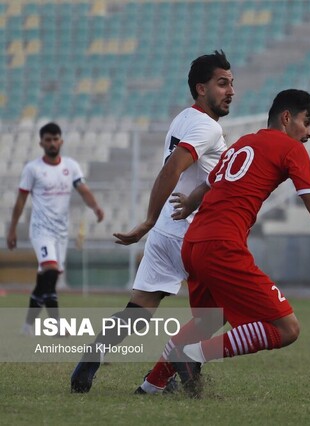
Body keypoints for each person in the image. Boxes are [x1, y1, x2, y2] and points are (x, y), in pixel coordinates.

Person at [138, 89, 310, 398]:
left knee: (209, 318)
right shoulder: (291, 149)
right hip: (222, 245)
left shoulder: (243, 142)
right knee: (287, 329)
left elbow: (207, 185)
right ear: (286, 118)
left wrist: (190, 205)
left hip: (194, 244)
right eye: (307, 122)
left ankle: (152, 383)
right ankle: (192, 356)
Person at [70, 50, 234, 393]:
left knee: (138, 311)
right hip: (193, 234)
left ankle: (89, 363)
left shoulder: (182, 119)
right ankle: (166, 377)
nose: (230, 91)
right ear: (201, 89)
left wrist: (153, 224)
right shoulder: (206, 127)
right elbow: (172, 168)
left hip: (165, 233)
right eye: (222, 84)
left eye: (232, 83)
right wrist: (146, 220)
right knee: (216, 314)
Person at [6, 122, 104, 336]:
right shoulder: (33, 169)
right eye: (48, 140)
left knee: (46, 279)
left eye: (55, 139)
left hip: (61, 232)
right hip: (41, 230)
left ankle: (27, 327)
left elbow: (83, 189)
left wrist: (95, 207)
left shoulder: (71, 166)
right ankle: (56, 326)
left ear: (61, 141)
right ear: (41, 142)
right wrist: (12, 229)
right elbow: (21, 200)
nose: (52, 143)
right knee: (50, 270)